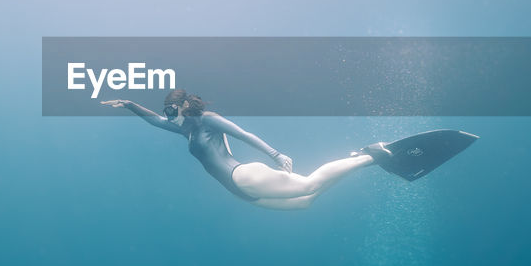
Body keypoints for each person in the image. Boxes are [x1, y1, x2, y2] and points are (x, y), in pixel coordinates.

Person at [101, 89, 390, 210]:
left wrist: (275, 154)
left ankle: (369, 156)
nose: (167, 115)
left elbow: (243, 134)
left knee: (309, 183)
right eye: (165, 111)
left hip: (243, 176)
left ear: (184, 105)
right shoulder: (183, 128)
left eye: (170, 109)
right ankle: (357, 159)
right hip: (239, 192)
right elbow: (154, 122)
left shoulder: (206, 120)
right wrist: (129, 105)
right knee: (305, 201)